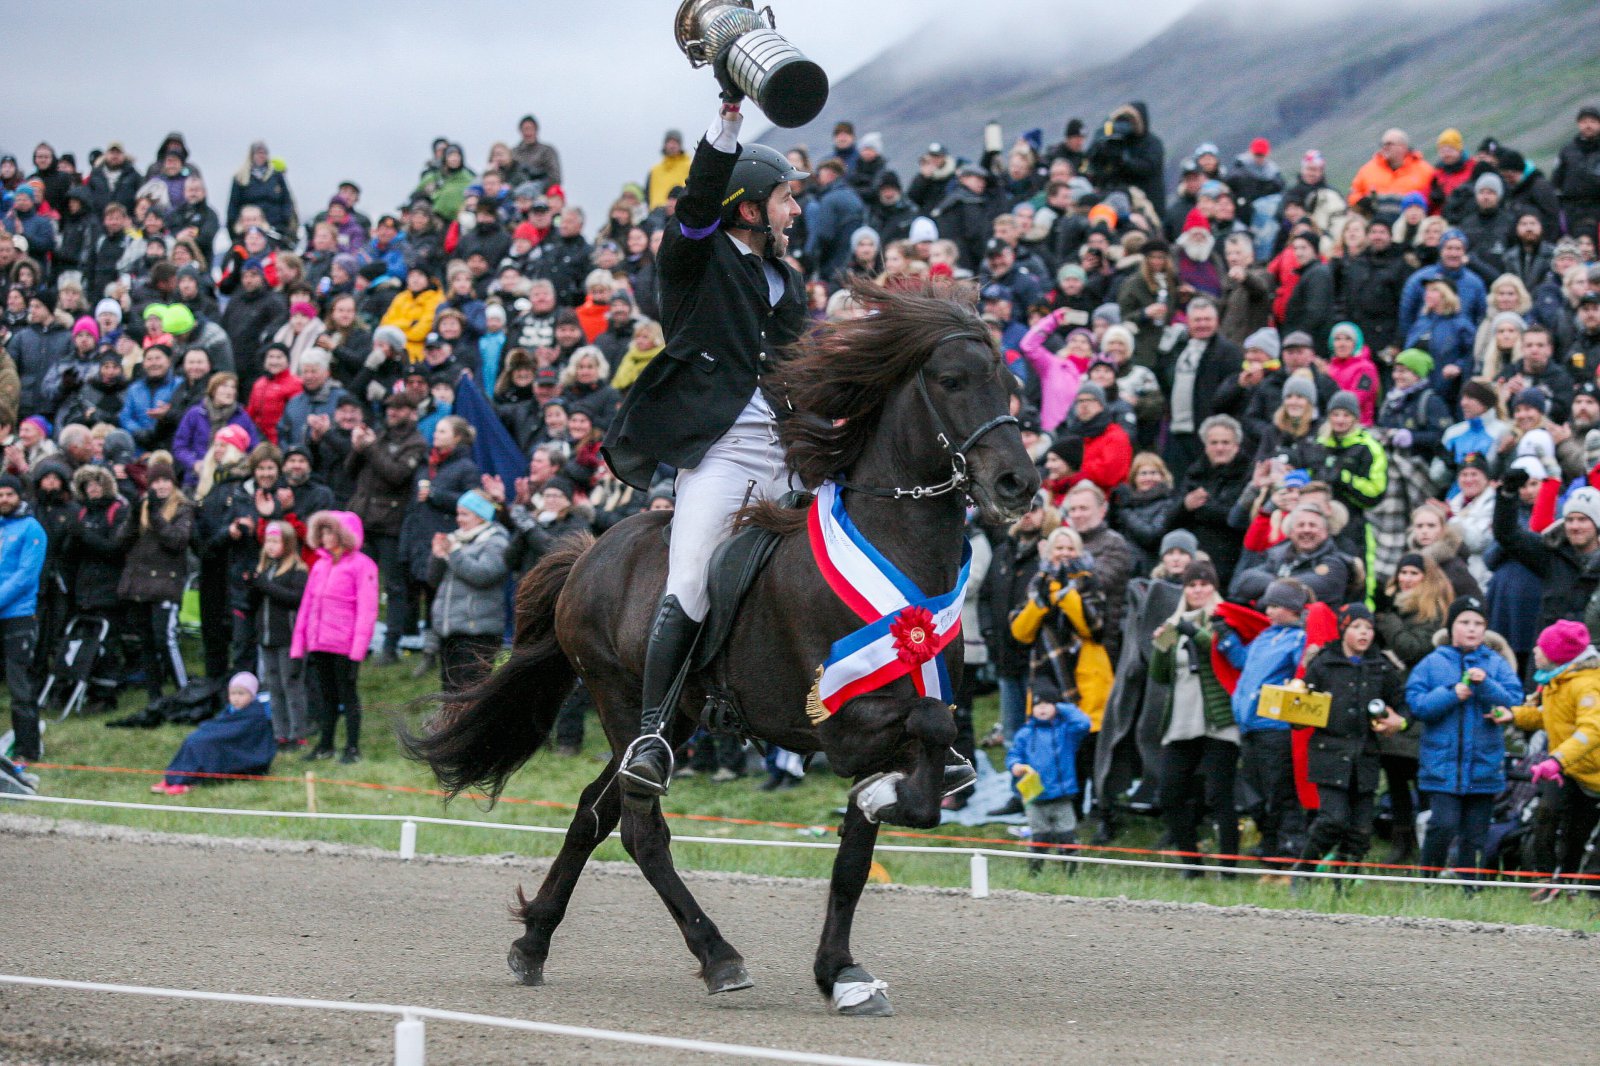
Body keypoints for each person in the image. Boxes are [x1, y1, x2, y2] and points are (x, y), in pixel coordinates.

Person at [603, 85, 810, 798]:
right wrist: (728, 121)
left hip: (788, 457)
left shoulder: (789, 281)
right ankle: (654, 734)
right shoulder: (695, 255)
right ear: (750, 206)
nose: (796, 210)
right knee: (690, 581)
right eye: (786, 199)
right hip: (721, 455)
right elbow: (697, 205)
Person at [1405, 595, 1522, 882]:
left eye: (1478, 623)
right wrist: (1451, 693)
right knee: (1442, 825)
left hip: (1484, 765)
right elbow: (1417, 704)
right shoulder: (1432, 663)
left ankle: (1469, 887)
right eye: (1464, 622)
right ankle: (1427, 881)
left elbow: (1514, 700)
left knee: (1476, 833)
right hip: (1442, 765)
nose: (1472, 629)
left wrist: (1486, 686)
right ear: (1451, 627)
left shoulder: (1495, 664)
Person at [1296, 603, 1406, 877]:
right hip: (1330, 754)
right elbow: (1300, 708)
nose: (1364, 633)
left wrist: (1398, 720)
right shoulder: (1323, 663)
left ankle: (1342, 883)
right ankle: (1305, 870)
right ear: (1344, 628)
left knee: (1361, 829)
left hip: (1366, 756)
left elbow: (1403, 705)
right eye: (1357, 627)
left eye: (1369, 628)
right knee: (1332, 820)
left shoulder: (1381, 666)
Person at [1495, 619, 1600, 895]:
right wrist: (1515, 715)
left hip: (1587, 770)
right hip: (1569, 767)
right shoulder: (1556, 680)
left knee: (1576, 834)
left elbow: (1591, 730)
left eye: (1541, 648)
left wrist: (1556, 760)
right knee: (1546, 817)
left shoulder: (1588, 685)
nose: (1534, 652)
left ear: (1558, 655)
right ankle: (1547, 881)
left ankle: (1575, 887)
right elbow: (1552, 718)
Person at [1149, 560, 1239, 875]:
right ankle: (1191, 862)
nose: (1198, 590)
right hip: (1182, 718)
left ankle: (1230, 867)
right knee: (1170, 793)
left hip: (1218, 718)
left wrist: (1197, 634)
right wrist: (1161, 647)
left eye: (1204, 584)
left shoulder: (1224, 617)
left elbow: (1226, 656)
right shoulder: (1174, 621)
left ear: (1214, 587)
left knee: (1219, 794)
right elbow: (1160, 677)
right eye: (1192, 584)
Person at [1217, 577, 1312, 865]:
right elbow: (1242, 661)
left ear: (1293, 608)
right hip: (1250, 725)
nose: (1268, 611)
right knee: (1254, 791)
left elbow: (1304, 670)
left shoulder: (1298, 639)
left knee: (1280, 789)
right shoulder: (1264, 637)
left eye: (1275, 605)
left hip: (1275, 726)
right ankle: (1270, 841)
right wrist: (1226, 637)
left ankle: (1290, 844)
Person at [291, 511, 378, 764]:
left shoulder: (363, 566)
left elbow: (367, 611)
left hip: (344, 645)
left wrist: (357, 652)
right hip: (320, 643)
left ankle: (352, 747)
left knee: (348, 696)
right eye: (323, 532)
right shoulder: (319, 565)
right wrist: (300, 645)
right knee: (326, 696)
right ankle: (325, 744)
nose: (325, 537)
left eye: (331, 532)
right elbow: (307, 606)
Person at [347, 394, 427, 666]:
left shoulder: (415, 443)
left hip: (391, 523)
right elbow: (350, 471)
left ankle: (391, 645)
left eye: (400, 407)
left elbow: (396, 475)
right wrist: (357, 448)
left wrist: (369, 449)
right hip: (363, 518)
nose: (392, 411)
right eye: (390, 406)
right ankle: (355, 641)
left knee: (394, 586)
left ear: (412, 412)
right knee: (355, 584)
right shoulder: (380, 436)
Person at [115, 457, 193, 703]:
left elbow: (177, 540)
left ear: (173, 483)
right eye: (155, 481)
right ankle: (154, 695)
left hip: (166, 584)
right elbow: (120, 542)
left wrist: (156, 516)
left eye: (165, 481)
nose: (160, 486)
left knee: (165, 639)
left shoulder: (182, 508)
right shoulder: (142, 507)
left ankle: (184, 692)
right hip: (140, 585)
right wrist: (134, 516)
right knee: (146, 642)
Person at [1006, 672, 1092, 874]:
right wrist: (1015, 765)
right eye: (1038, 704)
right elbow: (1013, 755)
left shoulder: (1066, 732)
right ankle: (1034, 874)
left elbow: (1084, 724)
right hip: (1035, 799)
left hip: (1062, 798)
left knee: (1067, 838)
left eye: (1047, 704)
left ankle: (1071, 874)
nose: (1042, 708)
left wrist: (1061, 705)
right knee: (1040, 839)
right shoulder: (1025, 733)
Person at [428, 489, 509, 694]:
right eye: (458, 514)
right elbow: (432, 580)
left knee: (470, 695)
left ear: (481, 515)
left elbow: (483, 575)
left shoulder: (496, 541)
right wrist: (438, 556)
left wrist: (453, 553)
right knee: (450, 693)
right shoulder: (456, 539)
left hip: (478, 632)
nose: (459, 519)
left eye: (465, 514)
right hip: (450, 630)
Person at [150, 672, 276, 798]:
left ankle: (186, 781)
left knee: (202, 743)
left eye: (241, 694)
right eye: (233, 693)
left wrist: (216, 733)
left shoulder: (256, 713)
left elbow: (239, 733)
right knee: (192, 740)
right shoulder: (230, 710)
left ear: (252, 695)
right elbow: (220, 723)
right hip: (220, 738)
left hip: (236, 747)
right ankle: (172, 778)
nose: (236, 698)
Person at [248, 520, 308, 750]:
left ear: (288, 543)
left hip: (289, 638)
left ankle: (297, 733)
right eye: (268, 541)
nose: (270, 546)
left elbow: (295, 599)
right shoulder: (266, 569)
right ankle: (279, 733)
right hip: (266, 637)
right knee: (273, 686)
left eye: (276, 541)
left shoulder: (297, 570)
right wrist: (252, 585)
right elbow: (255, 602)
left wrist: (264, 585)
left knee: (291, 685)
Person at [0, 474, 44, 764]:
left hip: (18, 616)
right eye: (0, 495)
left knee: (20, 687)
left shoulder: (32, 528)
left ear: (19, 497)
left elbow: (26, 576)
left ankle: (28, 750)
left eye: (9, 495)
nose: (4, 500)